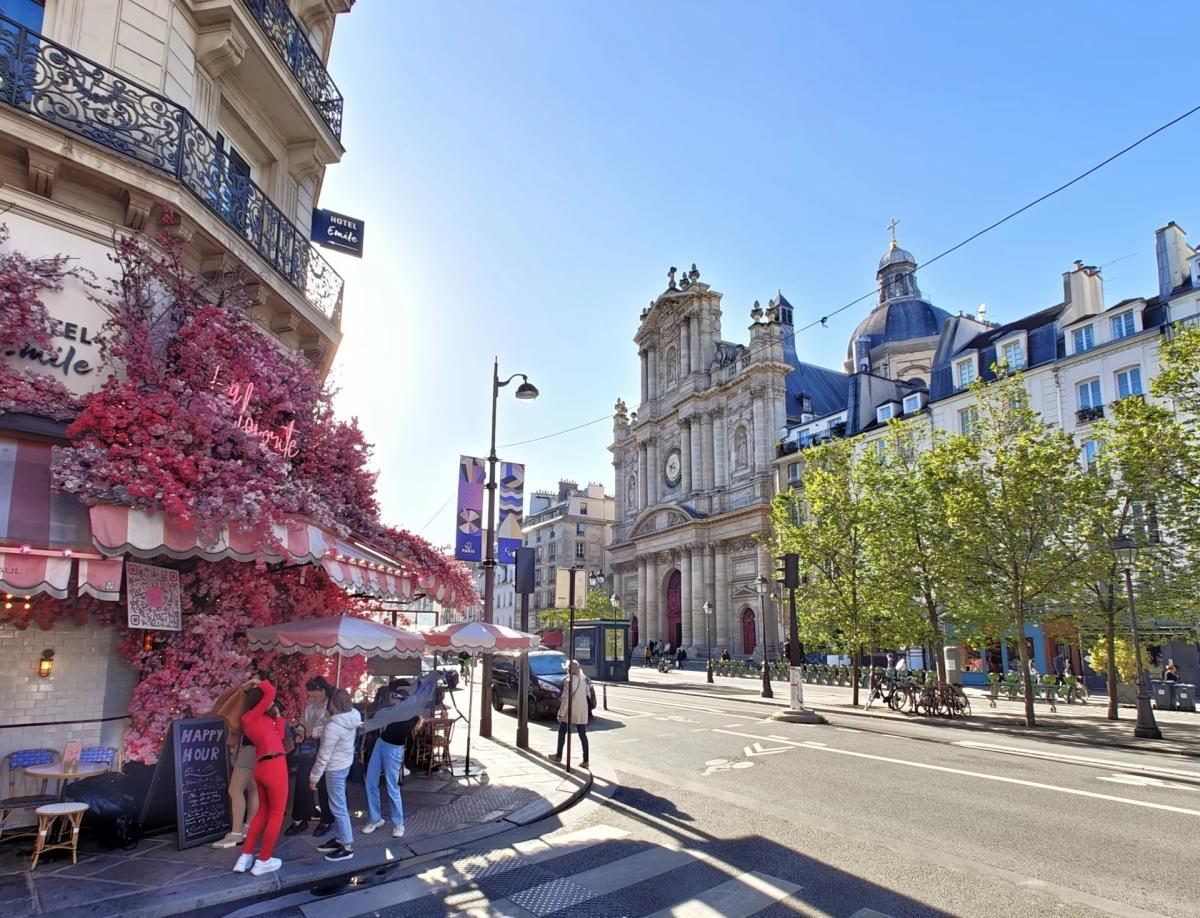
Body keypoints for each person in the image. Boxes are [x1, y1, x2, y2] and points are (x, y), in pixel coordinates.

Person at [233, 676, 288, 877]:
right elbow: (270, 693)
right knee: (275, 814)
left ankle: (245, 857)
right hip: (276, 766)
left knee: (263, 812)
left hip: (263, 767)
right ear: (260, 700)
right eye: (269, 702)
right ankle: (263, 859)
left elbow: (280, 737)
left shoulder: (257, 719)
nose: (272, 703)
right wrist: (257, 682)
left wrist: (279, 716)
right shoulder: (252, 716)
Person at [309, 689, 361, 862]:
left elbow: (323, 755)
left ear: (334, 704)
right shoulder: (352, 716)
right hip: (344, 763)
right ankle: (340, 838)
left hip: (334, 768)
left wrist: (314, 777)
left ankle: (347, 846)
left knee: (338, 806)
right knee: (338, 804)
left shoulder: (334, 726)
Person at [361, 681, 415, 839]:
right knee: (370, 781)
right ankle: (375, 818)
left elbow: (401, 732)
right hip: (381, 744)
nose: (389, 697)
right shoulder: (390, 710)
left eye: (392, 694)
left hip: (393, 749)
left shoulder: (409, 715)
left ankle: (398, 824)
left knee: (392, 786)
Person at [210, 682, 259, 849]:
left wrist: (248, 686)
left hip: (248, 749)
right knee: (253, 788)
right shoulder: (265, 710)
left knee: (235, 789)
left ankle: (236, 834)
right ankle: (249, 827)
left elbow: (227, 704)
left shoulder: (250, 714)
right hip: (256, 749)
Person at [286, 676, 333, 837]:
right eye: (310, 695)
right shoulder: (311, 704)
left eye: (315, 695)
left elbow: (334, 724)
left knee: (324, 786)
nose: (312, 698)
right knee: (302, 781)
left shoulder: (332, 704)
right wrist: (300, 730)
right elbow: (304, 721)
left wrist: (314, 732)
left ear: (323, 690)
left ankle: (327, 819)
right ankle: (300, 819)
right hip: (309, 747)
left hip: (326, 746)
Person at [550, 660, 591, 769]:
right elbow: (588, 694)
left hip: (570, 710)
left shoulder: (568, 681)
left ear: (569, 670)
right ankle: (586, 760)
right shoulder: (584, 679)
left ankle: (558, 755)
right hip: (582, 710)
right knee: (582, 735)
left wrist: (560, 713)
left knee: (562, 731)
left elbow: (565, 699)